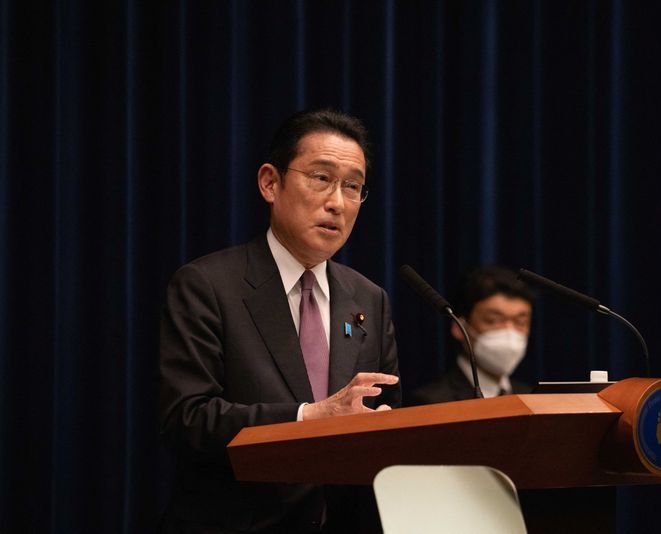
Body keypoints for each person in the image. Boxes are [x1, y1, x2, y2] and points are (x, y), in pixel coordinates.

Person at [159, 109, 400, 533]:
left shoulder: (369, 300)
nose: (336, 203)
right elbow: (188, 419)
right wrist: (308, 417)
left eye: (353, 187)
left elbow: (383, 423)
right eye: (321, 178)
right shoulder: (207, 285)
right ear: (270, 183)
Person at [408, 265, 534, 405]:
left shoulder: (531, 398)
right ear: (459, 327)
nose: (509, 331)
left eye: (520, 321)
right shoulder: (431, 402)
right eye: (493, 320)